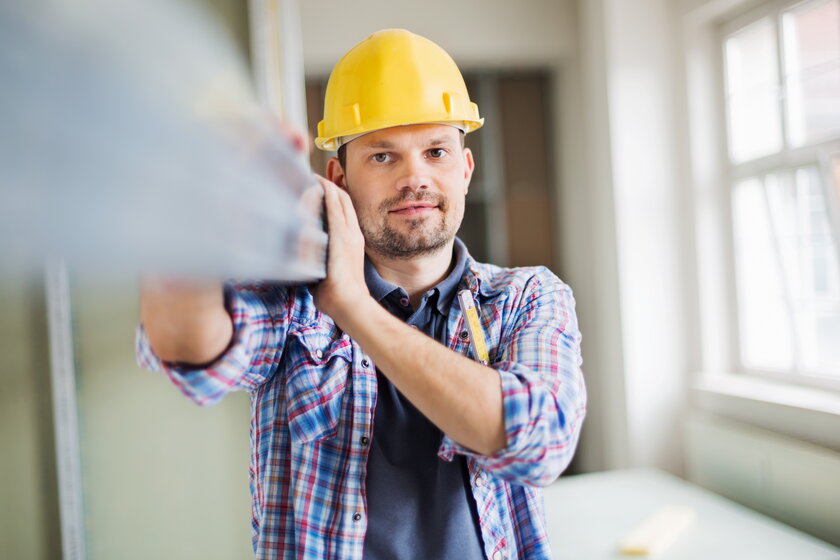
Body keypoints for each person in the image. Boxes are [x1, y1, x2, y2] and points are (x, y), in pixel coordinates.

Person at [137, 29, 586, 560]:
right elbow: (188, 344)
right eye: (382, 157)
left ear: (465, 171)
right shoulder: (296, 305)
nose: (414, 177)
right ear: (339, 178)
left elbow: (538, 442)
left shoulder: (527, 297)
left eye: (436, 151)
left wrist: (351, 304)